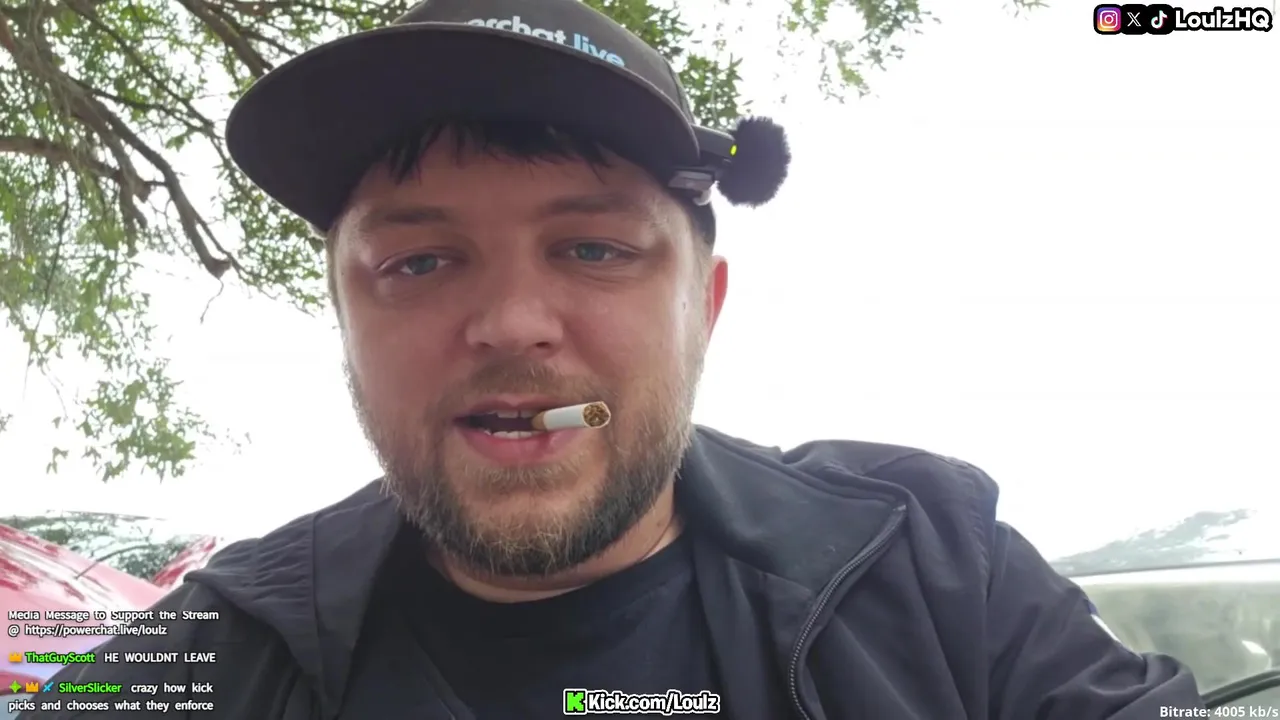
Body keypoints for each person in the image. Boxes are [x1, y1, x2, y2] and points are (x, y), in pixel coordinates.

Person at [23, 1, 1207, 718]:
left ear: (706, 306)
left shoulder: (932, 564)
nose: (510, 324)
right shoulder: (213, 653)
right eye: (420, 263)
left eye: (592, 249)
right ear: (344, 318)